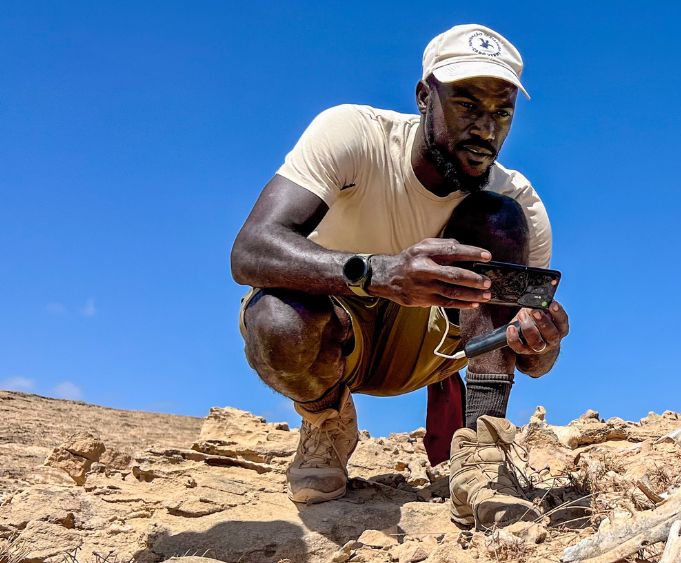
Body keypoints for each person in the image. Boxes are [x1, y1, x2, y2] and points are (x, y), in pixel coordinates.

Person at [230, 24, 568, 528]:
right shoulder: (353, 135)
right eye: (467, 105)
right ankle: (326, 421)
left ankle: (482, 454)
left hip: (436, 346)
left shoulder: (519, 199)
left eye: (502, 112)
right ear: (423, 97)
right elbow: (250, 250)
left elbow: (531, 357)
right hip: (337, 332)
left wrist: (540, 341)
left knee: (496, 215)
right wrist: (377, 272)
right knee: (277, 318)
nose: (486, 129)